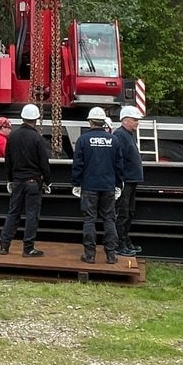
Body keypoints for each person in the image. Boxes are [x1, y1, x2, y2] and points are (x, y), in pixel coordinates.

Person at [0, 103, 51, 257]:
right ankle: (28, 248)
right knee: (32, 215)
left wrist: (10, 179)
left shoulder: (12, 137)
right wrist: (48, 181)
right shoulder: (37, 138)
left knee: (13, 213)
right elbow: (44, 163)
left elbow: (8, 161)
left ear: (22, 117)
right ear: (36, 119)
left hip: (17, 181)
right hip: (33, 182)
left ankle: (4, 245)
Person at [70, 106, 120, 263]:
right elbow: (119, 165)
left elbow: (78, 164)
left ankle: (90, 255)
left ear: (90, 122)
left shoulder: (83, 140)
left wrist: (76, 183)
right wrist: (118, 184)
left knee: (90, 220)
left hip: (89, 186)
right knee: (109, 220)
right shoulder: (114, 140)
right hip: (108, 186)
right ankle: (111, 255)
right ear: (103, 121)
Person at [112, 106, 146, 256]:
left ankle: (125, 241)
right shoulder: (120, 135)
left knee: (129, 212)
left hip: (131, 180)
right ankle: (119, 244)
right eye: (135, 119)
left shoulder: (129, 135)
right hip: (125, 181)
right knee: (123, 213)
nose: (137, 122)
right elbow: (118, 160)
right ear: (125, 120)